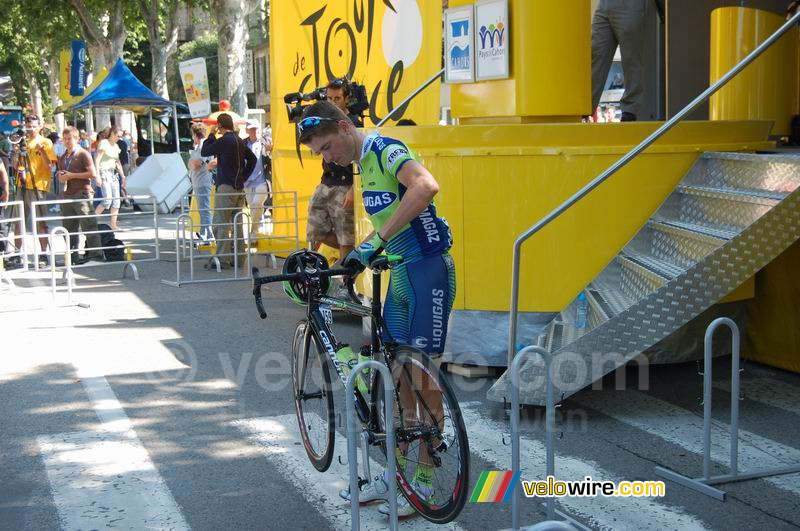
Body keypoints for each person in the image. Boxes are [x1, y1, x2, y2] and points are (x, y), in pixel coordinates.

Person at [298, 100, 455, 517]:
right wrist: (366, 256)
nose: (328, 158)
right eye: (321, 153)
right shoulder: (362, 166)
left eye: (328, 147)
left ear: (346, 127)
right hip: (401, 276)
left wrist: (373, 242)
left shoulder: (386, 148)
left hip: (427, 272)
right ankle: (401, 472)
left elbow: (425, 187)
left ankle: (423, 476)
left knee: (422, 379)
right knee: (397, 378)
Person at [306, 79, 362, 269]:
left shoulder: (353, 123)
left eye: (337, 98)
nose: (333, 102)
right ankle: (352, 256)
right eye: (329, 98)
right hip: (326, 182)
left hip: (346, 183)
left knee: (346, 237)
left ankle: (347, 276)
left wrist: (355, 188)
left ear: (346, 99)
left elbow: (362, 158)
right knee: (314, 231)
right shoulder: (324, 121)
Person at [201, 113, 256, 268]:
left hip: (225, 187)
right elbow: (253, 159)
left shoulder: (224, 141)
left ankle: (222, 260)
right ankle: (239, 259)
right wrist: (243, 176)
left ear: (220, 126)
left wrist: (211, 135)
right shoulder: (239, 140)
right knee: (237, 224)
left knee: (221, 223)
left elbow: (205, 151)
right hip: (239, 188)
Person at [591, 0, 654, 122]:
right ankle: (586, 108)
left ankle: (630, 109)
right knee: (595, 53)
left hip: (630, 4)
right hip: (604, 4)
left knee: (631, 58)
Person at [12, 114, 57, 264]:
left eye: (33, 125)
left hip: (38, 186)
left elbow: (50, 166)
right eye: (28, 125)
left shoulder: (46, 142)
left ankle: (43, 254)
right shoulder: (23, 141)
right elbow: (14, 165)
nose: (30, 128)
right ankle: (17, 254)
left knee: (40, 222)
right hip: (22, 185)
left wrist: (42, 151)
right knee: (19, 221)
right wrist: (16, 151)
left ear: (40, 126)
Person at [57, 126, 104, 264]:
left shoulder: (83, 153)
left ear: (77, 139)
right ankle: (72, 256)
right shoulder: (64, 156)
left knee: (88, 224)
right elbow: (62, 173)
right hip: (67, 194)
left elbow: (92, 173)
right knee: (69, 227)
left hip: (82, 192)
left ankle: (96, 255)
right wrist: (61, 177)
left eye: (70, 138)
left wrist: (72, 176)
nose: (67, 141)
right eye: (65, 139)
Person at [187, 123, 217, 242]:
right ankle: (205, 234)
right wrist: (191, 163)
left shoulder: (203, 146)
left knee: (204, 210)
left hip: (202, 182)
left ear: (195, 134)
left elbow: (196, 164)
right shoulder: (199, 146)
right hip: (199, 182)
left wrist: (191, 163)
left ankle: (208, 236)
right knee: (203, 210)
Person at [243, 120, 272, 240]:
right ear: (247, 130)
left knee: (256, 203)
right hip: (247, 181)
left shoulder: (266, 141)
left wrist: (270, 150)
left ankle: (253, 232)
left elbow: (271, 157)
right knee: (253, 207)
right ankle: (256, 231)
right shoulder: (243, 143)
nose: (253, 131)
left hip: (263, 180)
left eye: (255, 128)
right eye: (251, 129)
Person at [94, 126, 126, 230]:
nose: (119, 138)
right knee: (107, 200)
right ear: (112, 134)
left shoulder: (116, 146)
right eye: (118, 136)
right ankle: (91, 222)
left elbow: (118, 162)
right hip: (104, 173)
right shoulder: (104, 143)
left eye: (121, 136)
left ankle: (113, 225)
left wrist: (123, 176)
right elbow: (97, 160)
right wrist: (97, 176)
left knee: (116, 201)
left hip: (113, 174)